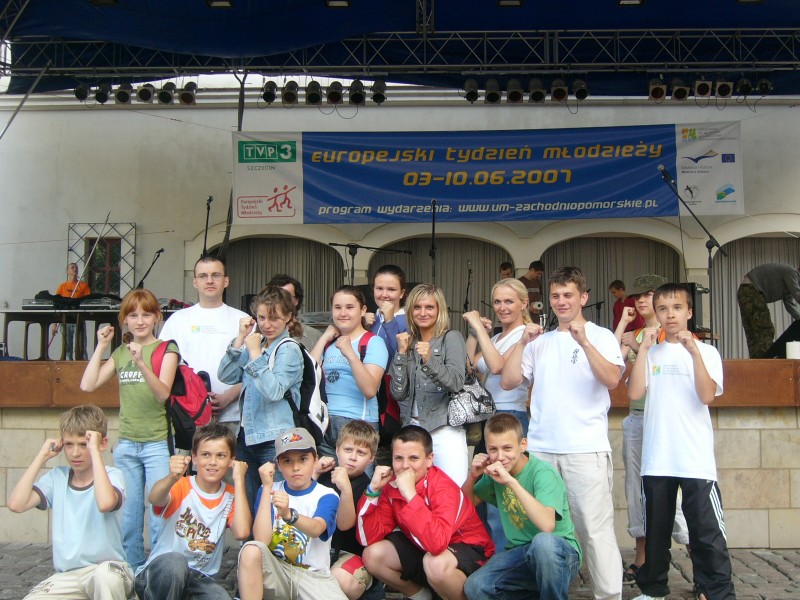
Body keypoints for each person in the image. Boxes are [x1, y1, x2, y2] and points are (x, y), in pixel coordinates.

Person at [500, 266, 625, 600]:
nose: (561, 301)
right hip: (541, 450)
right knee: (542, 529)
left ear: (583, 297)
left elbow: (612, 379)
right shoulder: (540, 342)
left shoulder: (600, 336)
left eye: (568, 295)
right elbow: (509, 381)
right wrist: (521, 342)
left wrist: (584, 342)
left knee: (594, 530)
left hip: (585, 449)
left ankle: (608, 596)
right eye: (555, 295)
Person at [628, 283, 734, 600]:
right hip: (657, 457)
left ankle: (715, 591)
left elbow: (706, 395)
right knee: (656, 530)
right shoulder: (652, 353)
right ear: (656, 314)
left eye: (676, 308)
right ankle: (654, 589)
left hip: (694, 458)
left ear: (689, 312)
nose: (670, 315)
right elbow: (634, 393)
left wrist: (694, 352)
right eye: (663, 309)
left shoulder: (707, 352)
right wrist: (643, 349)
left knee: (705, 531)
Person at [80, 289, 178, 570]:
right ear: (124, 320)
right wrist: (101, 346)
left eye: (146, 314)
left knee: (159, 511)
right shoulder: (121, 352)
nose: (140, 321)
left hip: (158, 442)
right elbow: (88, 385)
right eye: (133, 315)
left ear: (157, 317)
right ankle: (133, 571)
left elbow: (162, 393)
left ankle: (157, 571)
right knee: (129, 515)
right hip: (127, 443)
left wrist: (140, 363)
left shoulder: (167, 349)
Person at [8, 404, 134, 600]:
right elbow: (16, 504)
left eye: (83, 444)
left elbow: (105, 503)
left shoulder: (112, 475)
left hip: (107, 570)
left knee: (106, 577)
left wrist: (95, 450)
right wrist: (42, 456)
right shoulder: (56, 478)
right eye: (68, 444)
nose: (75, 453)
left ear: (102, 444)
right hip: (68, 577)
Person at [356, 425, 494, 600]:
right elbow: (368, 538)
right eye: (398, 458)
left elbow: (437, 544)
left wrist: (411, 495)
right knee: (373, 555)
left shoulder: (443, 488)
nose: (405, 466)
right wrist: (373, 490)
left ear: (429, 460)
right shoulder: (392, 486)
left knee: (435, 563)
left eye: (413, 458)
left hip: (470, 551)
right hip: (427, 548)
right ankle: (422, 596)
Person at [613, 274, 689, 584]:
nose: (642, 300)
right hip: (637, 416)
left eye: (648, 294)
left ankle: (698, 557)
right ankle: (641, 557)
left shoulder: (674, 333)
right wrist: (624, 329)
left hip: (667, 420)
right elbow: (614, 369)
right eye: (638, 295)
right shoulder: (634, 334)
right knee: (636, 488)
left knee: (676, 491)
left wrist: (640, 345)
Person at [462, 413, 581, 600]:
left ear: (523, 445)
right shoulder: (494, 472)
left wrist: (511, 482)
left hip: (559, 555)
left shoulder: (543, 473)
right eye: (493, 449)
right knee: (476, 586)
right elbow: (464, 507)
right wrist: (473, 476)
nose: (500, 457)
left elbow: (547, 526)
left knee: (542, 543)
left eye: (507, 448)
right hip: (520, 554)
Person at [134, 421, 251, 600]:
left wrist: (240, 481)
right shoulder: (182, 485)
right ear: (194, 458)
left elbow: (242, 532)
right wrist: (172, 477)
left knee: (220, 596)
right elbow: (155, 498)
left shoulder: (230, 495)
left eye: (221, 456)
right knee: (175, 562)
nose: (213, 462)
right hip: (159, 575)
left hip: (197, 580)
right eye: (206, 455)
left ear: (231, 460)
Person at [217, 286, 304, 515]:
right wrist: (240, 338)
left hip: (275, 438)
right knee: (248, 506)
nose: (267, 324)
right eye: (262, 317)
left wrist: (255, 354)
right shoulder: (256, 343)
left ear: (288, 317)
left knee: (274, 508)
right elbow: (226, 375)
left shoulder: (289, 349)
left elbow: (274, 391)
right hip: (247, 435)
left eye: (274, 318)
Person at [237, 427, 347, 600]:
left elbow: (317, 528)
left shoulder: (327, 494)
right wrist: (267, 488)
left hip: (313, 576)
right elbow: (261, 540)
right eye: (287, 461)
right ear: (279, 465)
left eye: (303, 459)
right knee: (251, 550)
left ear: (315, 460)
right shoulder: (268, 489)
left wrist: (289, 515)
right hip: (277, 572)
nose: (296, 467)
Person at [464, 277, 532, 549]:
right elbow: (471, 366)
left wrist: (480, 332)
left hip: (511, 415)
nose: (502, 307)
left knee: (504, 496)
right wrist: (475, 333)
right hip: (489, 417)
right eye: (497, 302)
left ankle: (506, 556)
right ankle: (492, 554)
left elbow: (496, 367)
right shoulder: (496, 337)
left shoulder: (525, 334)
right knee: (488, 491)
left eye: (509, 301)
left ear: (523, 303)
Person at [160, 255, 248, 445]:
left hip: (233, 415)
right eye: (203, 276)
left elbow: (255, 369)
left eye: (215, 275)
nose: (209, 280)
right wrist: (197, 397)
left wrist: (228, 397)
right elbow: (163, 366)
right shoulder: (177, 321)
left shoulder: (243, 320)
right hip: (188, 416)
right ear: (195, 282)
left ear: (226, 281)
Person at [390, 283, 468, 485]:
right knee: (412, 492)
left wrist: (429, 360)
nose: (423, 313)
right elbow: (398, 393)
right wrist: (401, 354)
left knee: (453, 490)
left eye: (429, 307)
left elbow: (456, 383)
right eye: (417, 307)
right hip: (412, 429)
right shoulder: (407, 342)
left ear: (439, 310)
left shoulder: (451, 337)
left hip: (445, 428)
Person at [311, 285, 388, 458]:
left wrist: (350, 353)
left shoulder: (373, 342)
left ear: (363, 310)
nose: (343, 313)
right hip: (325, 421)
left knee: (355, 476)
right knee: (327, 475)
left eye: (350, 307)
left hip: (356, 423)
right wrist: (324, 337)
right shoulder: (329, 343)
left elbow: (370, 390)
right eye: (337, 307)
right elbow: (309, 374)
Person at [314, 419, 379, 600]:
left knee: (337, 580)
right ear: (337, 450)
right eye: (348, 450)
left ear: (371, 458)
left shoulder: (369, 488)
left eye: (361, 452)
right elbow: (302, 506)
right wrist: (315, 473)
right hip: (319, 550)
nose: (353, 457)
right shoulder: (324, 476)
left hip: (351, 555)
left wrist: (346, 490)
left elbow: (344, 525)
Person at [365, 264, 409, 463]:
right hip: (370, 394)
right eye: (379, 288)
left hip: (396, 397)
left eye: (391, 289)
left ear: (402, 293)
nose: (384, 294)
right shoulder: (370, 319)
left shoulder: (410, 319)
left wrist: (390, 320)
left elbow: (397, 354)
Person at [737, 262, 800, 358]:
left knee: (753, 332)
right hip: (751, 290)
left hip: (744, 291)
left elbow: (790, 306)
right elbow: (797, 294)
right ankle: (766, 361)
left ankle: (757, 360)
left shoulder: (789, 282)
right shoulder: (792, 273)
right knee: (765, 328)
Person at [267, 274, 322, 349]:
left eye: (287, 296)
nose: (281, 302)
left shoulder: (315, 336)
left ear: (296, 301)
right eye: (277, 297)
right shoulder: (259, 335)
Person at [51, 262, 92, 360]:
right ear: (67, 271)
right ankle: (68, 362)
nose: (75, 269)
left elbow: (88, 302)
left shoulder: (83, 286)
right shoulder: (62, 286)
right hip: (66, 320)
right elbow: (57, 305)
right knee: (67, 346)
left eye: (76, 267)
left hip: (78, 319)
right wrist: (54, 324)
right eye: (72, 267)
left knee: (81, 345)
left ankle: (82, 362)